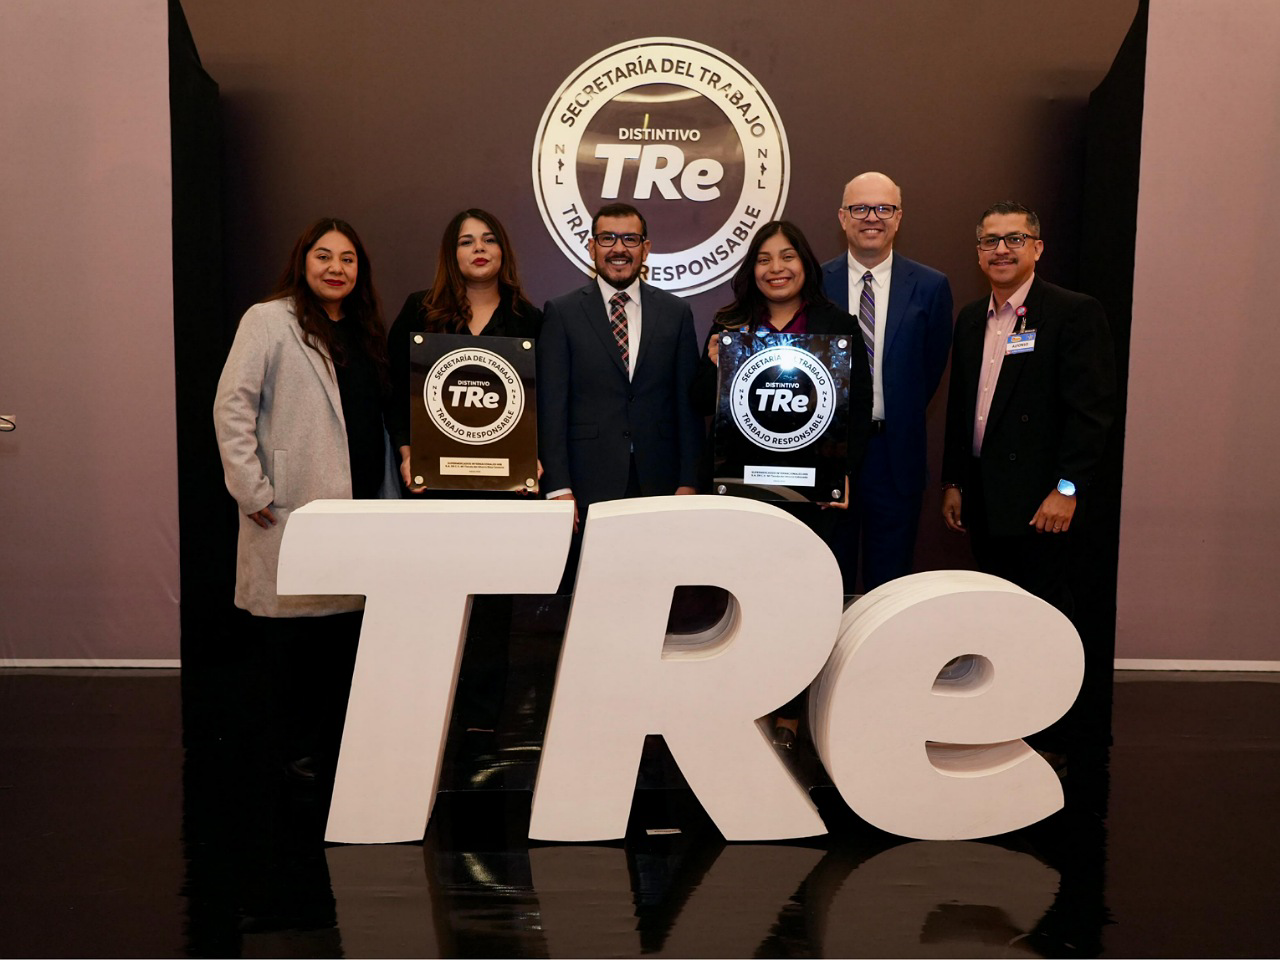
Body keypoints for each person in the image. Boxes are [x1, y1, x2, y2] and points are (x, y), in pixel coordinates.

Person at [213, 216, 396, 781]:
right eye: (324, 256)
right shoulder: (269, 320)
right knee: (296, 644)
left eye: (348, 259)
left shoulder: (366, 331)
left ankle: (335, 755)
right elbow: (232, 406)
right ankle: (296, 761)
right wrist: (251, 489)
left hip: (362, 512)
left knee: (345, 640)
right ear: (303, 260)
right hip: (295, 508)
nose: (336, 268)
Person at [941, 202, 1115, 755]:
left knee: (1047, 617)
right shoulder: (972, 318)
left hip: (1044, 503)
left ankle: (1056, 733)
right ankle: (1005, 721)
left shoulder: (1072, 312)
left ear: (1037, 248)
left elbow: (1091, 413)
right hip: (986, 497)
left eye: (1014, 239)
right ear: (978, 253)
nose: (1001, 250)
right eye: (990, 241)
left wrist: (1067, 489)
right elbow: (963, 408)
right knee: (1001, 615)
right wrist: (954, 481)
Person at [694, 220, 872, 746]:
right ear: (752, 269)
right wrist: (712, 365)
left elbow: (857, 409)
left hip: (811, 495)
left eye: (787, 256)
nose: (776, 268)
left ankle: (791, 711)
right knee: (749, 602)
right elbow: (699, 401)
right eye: (764, 259)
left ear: (805, 264)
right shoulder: (729, 323)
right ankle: (745, 703)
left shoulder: (836, 324)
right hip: (744, 493)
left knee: (801, 604)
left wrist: (843, 476)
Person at [386, 208, 542, 755]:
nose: (479, 249)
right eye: (466, 241)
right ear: (450, 254)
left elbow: (542, 399)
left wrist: (535, 458)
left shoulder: (528, 319)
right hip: (435, 484)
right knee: (433, 598)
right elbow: (395, 391)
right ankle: (428, 710)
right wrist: (406, 451)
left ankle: (480, 720)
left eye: (489, 239)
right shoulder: (420, 310)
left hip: (504, 486)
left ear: (503, 251)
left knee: (494, 604)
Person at [820, 172, 954, 594]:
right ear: (842, 217)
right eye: (860, 208)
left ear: (899, 218)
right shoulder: (815, 282)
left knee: (890, 585)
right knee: (827, 579)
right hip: (830, 455)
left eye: (883, 208)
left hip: (895, 455)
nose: (872, 218)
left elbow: (930, 369)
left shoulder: (931, 286)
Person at [537, 202, 702, 527]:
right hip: (587, 482)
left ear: (646, 248)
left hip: (661, 481)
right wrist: (558, 486)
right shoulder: (562, 313)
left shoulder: (676, 313)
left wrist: (689, 480)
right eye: (607, 238)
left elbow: (689, 406)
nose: (619, 249)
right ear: (592, 247)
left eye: (630, 239)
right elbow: (551, 407)